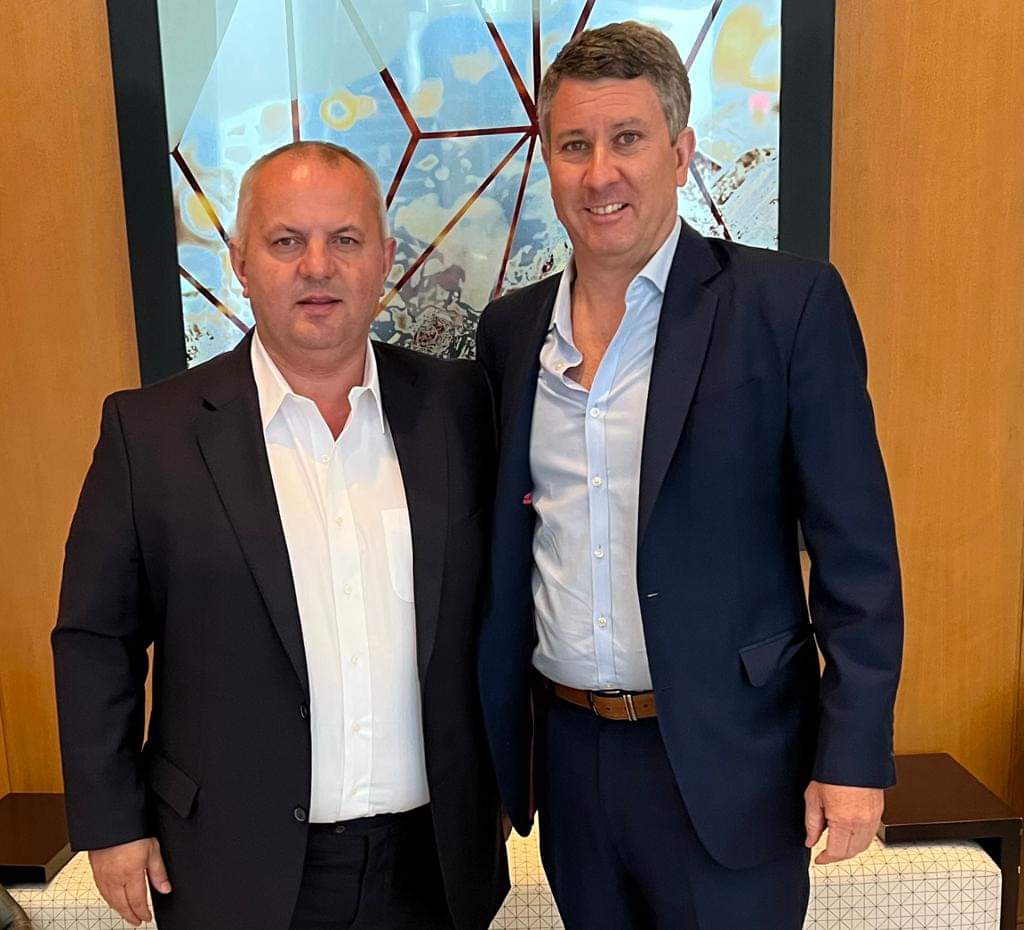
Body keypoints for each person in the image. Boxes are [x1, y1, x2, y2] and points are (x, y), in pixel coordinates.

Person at [476, 21, 903, 930]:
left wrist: (854, 754)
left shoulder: (787, 306)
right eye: (574, 146)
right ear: (547, 163)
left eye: (628, 139)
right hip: (572, 760)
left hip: (733, 760)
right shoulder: (509, 334)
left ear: (679, 153)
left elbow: (857, 555)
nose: (601, 174)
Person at [52, 141, 508, 930]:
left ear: (386, 259)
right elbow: (96, 638)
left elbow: (508, 605)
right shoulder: (149, 433)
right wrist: (111, 821)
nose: (317, 266)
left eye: (345, 239)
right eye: (286, 240)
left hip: (433, 865)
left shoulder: (461, 409)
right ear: (240, 262)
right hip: (230, 865)